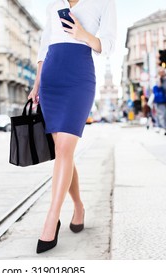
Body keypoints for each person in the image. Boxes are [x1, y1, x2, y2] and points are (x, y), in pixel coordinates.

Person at [28, 0, 116, 254]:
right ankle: (78, 205)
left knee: (65, 148)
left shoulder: (103, 2)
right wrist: (37, 84)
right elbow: (44, 47)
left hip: (79, 76)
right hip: (51, 77)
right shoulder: (53, 4)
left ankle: (50, 219)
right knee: (62, 152)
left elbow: (108, 45)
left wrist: (83, 35)